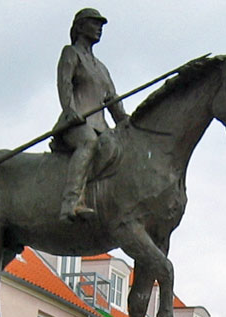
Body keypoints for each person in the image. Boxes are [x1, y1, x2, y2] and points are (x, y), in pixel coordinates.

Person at [53, 7, 128, 221]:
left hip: (100, 126)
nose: (99, 29)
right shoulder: (71, 53)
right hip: (76, 123)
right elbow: (64, 84)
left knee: (119, 151)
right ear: (80, 27)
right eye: (94, 23)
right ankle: (71, 203)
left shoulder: (102, 68)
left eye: (101, 25)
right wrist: (70, 111)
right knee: (88, 142)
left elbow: (112, 100)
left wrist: (126, 122)